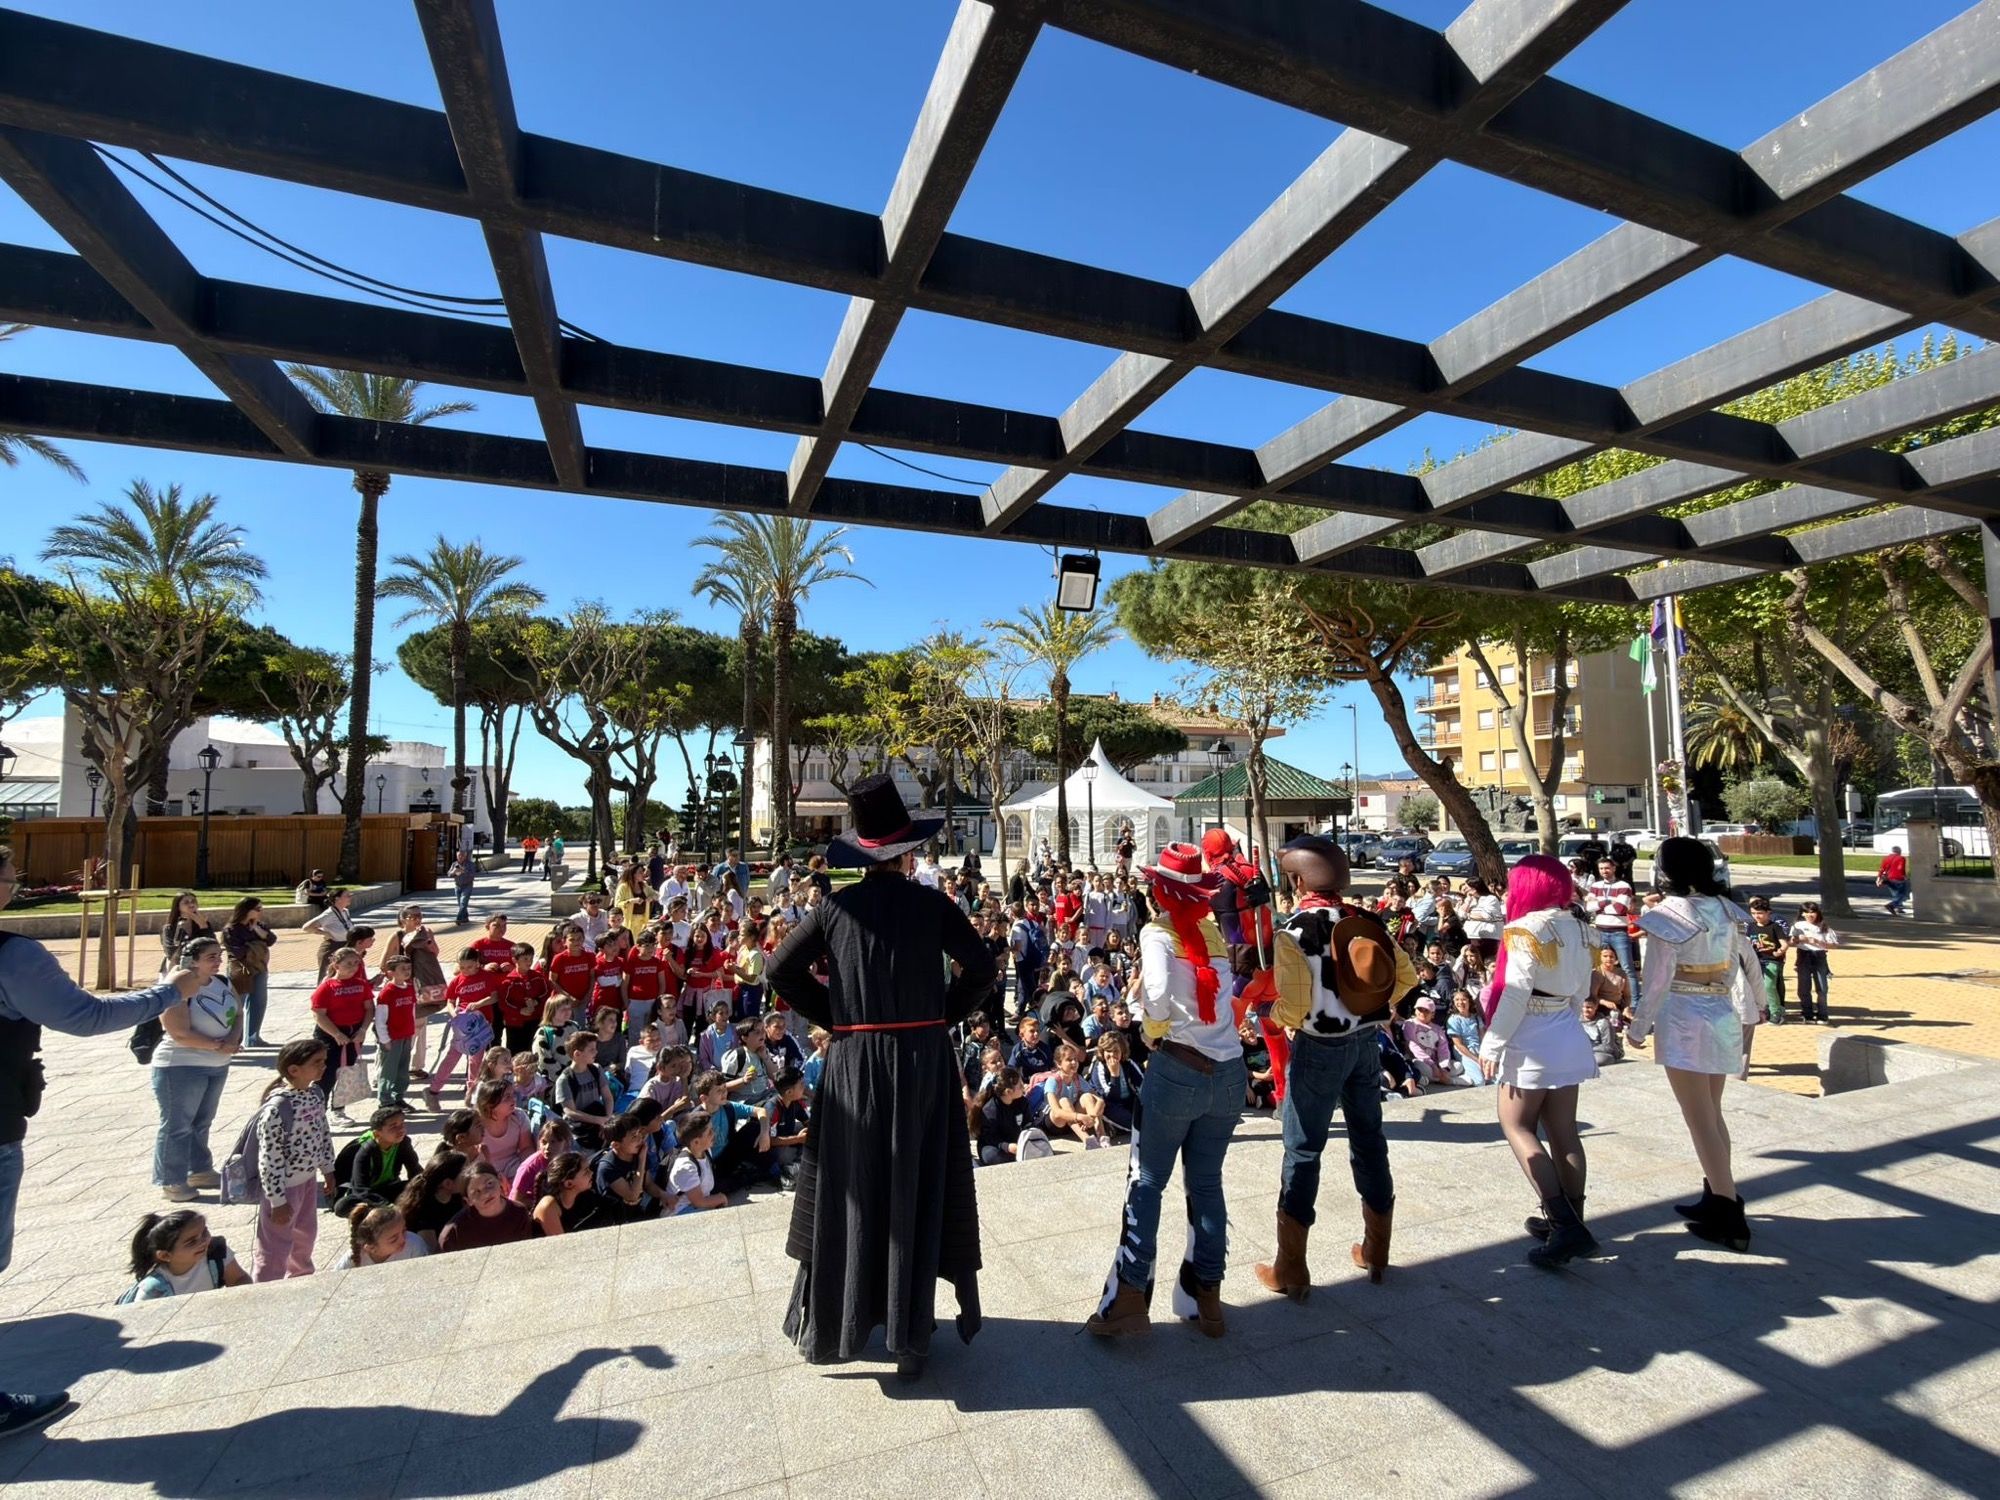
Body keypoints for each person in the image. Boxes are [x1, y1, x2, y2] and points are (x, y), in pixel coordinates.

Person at [765, 773, 996, 1380]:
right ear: (907, 851)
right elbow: (982, 969)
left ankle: (844, 1324)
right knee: (913, 1187)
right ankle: (908, 1336)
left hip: (855, 1066)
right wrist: (940, 1013)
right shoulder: (932, 903)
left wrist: (840, 1020)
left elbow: (779, 970)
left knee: (857, 1188)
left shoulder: (834, 908)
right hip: (922, 1061)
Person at [0, 842, 202, 1435]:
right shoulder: (12, 957)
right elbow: (85, 1017)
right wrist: (171, 990)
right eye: (10, 873)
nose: (16, 881)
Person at [1087, 842, 1245, 1340]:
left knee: (1148, 1180)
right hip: (1230, 1072)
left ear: (1158, 890)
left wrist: (1153, 1030)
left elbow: (1153, 993)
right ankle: (1209, 1299)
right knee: (1207, 1183)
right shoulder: (1212, 932)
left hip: (1178, 1069)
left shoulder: (1158, 933)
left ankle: (1131, 1297)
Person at [1253, 833, 1416, 1304]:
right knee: (1369, 1140)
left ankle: (1291, 1268)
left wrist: (1274, 1018)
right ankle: (1376, 1251)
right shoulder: (1364, 921)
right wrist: (1373, 1010)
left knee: (1302, 1149)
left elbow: (1297, 1002)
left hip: (1319, 1048)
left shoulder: (1294, 930)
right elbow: (1403, 977)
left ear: (1300, 880)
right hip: (1365, 1043)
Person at [1628, 837, 1765, 1253]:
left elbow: (1655, 981)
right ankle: (1717, 1195)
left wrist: (1638, 1027)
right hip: (1721, 1012)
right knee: (1711, 1113)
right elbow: (1748, 961)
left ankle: (1728, 1210)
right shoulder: (1726, 908)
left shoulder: (1666, 916)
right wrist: (1757, 1003)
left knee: (1699, 1118)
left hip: (1685, 1017)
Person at [1478, 854, 1602, 1268]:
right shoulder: (1585, 928)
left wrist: (1493, 1043)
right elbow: (1583, 991)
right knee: (1564, 1130)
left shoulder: (1521, 929)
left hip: (1530, 1036)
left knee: (1517, 1125)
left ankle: (1564, 1225)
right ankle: (1573, 1222)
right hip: (1567, 1031)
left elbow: (1515, 994)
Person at [150, 936, 242, 1201]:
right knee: (177, 1124)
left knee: (202, 1121)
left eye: (219, 955)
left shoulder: (222, 982)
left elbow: (238, 1013)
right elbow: (179, 1032)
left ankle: (198, 1168)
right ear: (193, 960)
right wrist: (216, 1045)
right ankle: (171, 1180)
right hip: (181, 1065)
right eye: (211, 957)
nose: (218, 960)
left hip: (217, 1063)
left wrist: (233, 1039)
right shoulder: (177, 986)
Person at [252, 1039, 337, 1282]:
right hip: (284, 1188)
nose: (323, 1066)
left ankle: (301, 1277)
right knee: (275, 1245)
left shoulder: (315, 1095)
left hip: (308, 1180)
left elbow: (322, 1133)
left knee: (305, 1235)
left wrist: (328, 1169)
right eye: (316, 1062)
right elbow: (269, 1158)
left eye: (323, 1061)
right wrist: (277, 1200)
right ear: (294, 1069)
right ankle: (266, 1284)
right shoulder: (277, 1108)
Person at [119, 1209, 247, 1301]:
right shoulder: (154, 1290)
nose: (203, 1241)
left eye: (204, 1232)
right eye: (191, 1242)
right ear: (165, 1256)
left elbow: (238, 1279)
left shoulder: (215, 1253)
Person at [439, 1160, 536, 1250]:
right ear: (468, 1200)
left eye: (489, 1184)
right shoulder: (453, 1233)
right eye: (476, 1192)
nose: (486, 1193)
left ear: (499, 1181)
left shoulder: (519, 1212)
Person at [220, 896, 277, 1047]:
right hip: (242, 968)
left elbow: (271, 940)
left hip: (260, 967)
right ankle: (234, 1038)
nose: (260, 912)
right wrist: (258, 946)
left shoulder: (260, 925)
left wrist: (258, 931)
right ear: (246, 910)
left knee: (259, 1002)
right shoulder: (231, 929)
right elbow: (239, 952)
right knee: (238, 1003)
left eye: (261, 909)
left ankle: (253, 1037)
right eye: (257, 909)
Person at [1584, 857, 1637, 987]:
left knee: (1627, 968)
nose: (1604, 871)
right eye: (1601, 869)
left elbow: (1620, 909)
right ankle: (1598, 997)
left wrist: (1599, 905)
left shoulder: (1623, 886)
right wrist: (1608, 901)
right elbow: (1589, 907)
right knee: (1597, 966)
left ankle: (1634, 1002)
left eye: (1607, 868)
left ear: (1614, 868)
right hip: (1600, 931)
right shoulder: (1595, 886)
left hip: (1618, 932)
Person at [329, 1203, 430, 1268]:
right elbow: (335, 1282)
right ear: (371, 1248)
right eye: (393, 1239)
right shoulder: (356, 1257)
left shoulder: (414, 1245)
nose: (403, 1239)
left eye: (404, 1231)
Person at [1789, 901, 1839, 1025]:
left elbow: (1834, 945)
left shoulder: (1823, 926)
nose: (1810, 915)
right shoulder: (1798, 925)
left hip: (1819, 956)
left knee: (1822, 987)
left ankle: (1823, 1014)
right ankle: (1807, 1013)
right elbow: (1790, 941)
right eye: (1806, 912)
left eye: (1812, 912)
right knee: (1803, 987)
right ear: (1802, 914)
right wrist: (1797, 939)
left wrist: (1816, 942)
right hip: (1803, 955)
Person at [1745, 897, 1790, 1025]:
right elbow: (1748, 941)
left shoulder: (1775, 927)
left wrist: (1780, 951)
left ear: (1768, 912)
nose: (1756, 916)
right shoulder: (1751, 926)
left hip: (1772, 960)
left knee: (1769, 985)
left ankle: (1776, 1012)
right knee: (1758, 986)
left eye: (1760, 913)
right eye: (1753, 913)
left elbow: (1784, 943)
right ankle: (1765, 1010)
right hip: (1757, 960)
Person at [302, 888, 355, 979]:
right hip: (332, 949)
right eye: (347, 896)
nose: (350, 897)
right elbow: (306, 927)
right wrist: (325, 933)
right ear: (337, 899)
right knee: (328, 979)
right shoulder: (329, 914)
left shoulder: (345, 911)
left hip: (345, 947)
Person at [1875, 845, 1910, 915]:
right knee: (1903, 895)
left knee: (1895, 894)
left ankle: (1899, 908)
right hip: (1898, 878)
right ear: (1899, 851)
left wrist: (1878, 878)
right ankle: (1892, 905)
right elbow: (1901, 868)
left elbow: (1882, 869)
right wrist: (1905, 876)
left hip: (1888, 879)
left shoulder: (1886, 858)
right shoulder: (1901, 858)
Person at [450, 852, 477, 925]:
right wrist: (453, 872)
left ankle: (459, 918)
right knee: (460, 904)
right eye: (459, 856)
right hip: (457, 886)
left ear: (465, 856)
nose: (460, 857)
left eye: (462, 856)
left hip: (467, 886)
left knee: (463, 903)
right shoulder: (454, 864)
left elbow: (472, 875)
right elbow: (449, 874)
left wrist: (464, 871)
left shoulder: (470, 864)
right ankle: (465, 917)